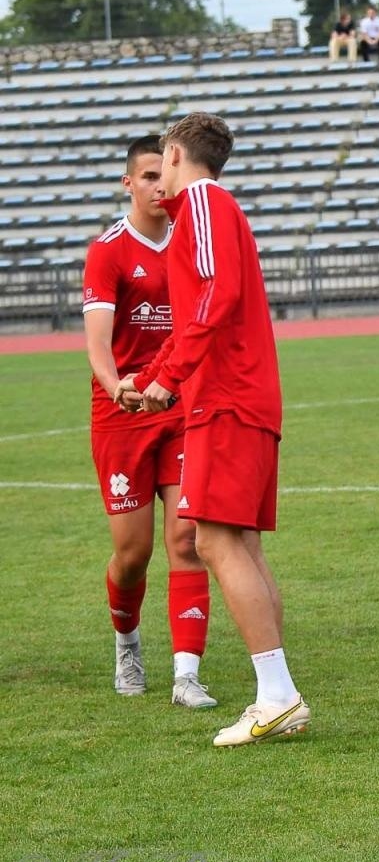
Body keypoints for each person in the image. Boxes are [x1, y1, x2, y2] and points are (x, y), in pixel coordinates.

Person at [126, 112, 308, 748]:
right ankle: (276, 693)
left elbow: (216, 297)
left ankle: (278, 694)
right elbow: (207, 307)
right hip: (238, 399)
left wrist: (165, 379)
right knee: (240, 546)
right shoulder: (209, 211)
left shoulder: (203, 201)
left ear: (176, 153)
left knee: (212, 543)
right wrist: (152, 378)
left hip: (226, 402)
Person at [82, 135, 214, 709]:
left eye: (166, 175)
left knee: (187, 538)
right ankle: (127, 642)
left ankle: (187, 674)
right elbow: (97, 345)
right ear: (128, 183)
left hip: (180, 408)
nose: (161, 186)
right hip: (122, 415)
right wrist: (119, 390)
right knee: (132, 554)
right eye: (148, 177)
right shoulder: (108, 250)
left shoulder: (189, 240)